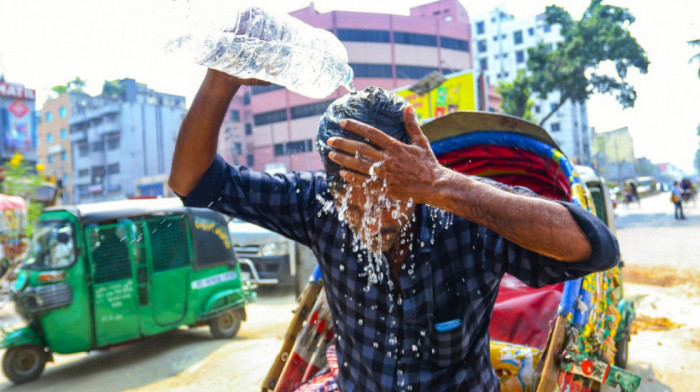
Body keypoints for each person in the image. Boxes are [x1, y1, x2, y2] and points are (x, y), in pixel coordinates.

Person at [169, 70, 619, 391]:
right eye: (355, 199)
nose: (373, 216)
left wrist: (440, 184)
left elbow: (595, 249)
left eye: (389, 193)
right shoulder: (318, 207)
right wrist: (221, 78)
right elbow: (192, 183)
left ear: (414, 171)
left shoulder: (464, 211)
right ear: (332, 189)